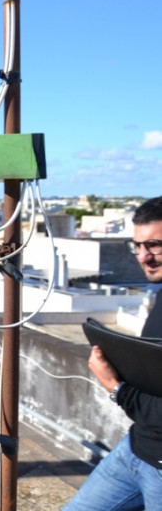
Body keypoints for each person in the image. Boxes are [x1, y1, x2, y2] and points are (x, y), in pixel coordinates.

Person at [64, 196, 162, 510]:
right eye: (137, 246)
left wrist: (116, 388)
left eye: (155, 245)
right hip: (135, 451)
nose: (144, 257)